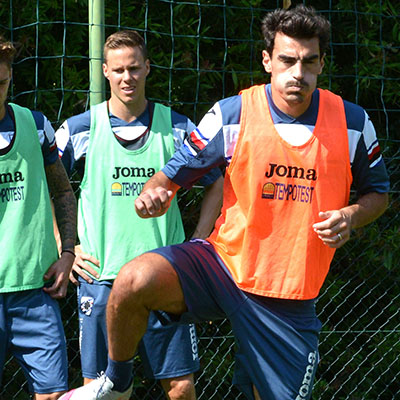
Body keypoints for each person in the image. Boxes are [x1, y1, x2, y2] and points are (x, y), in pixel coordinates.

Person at [60, 5, 390, 400]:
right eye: (287, 60)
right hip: (222, 267)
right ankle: (116, 381)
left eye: (308, 62)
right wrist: (157, 192)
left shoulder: (353, 122)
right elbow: (169, 177)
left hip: (288, 296)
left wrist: (351, 216)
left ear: (322, 63)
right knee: (133, 280)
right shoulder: (230, 115)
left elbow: (380, 194)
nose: (297, 73)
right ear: (267, 60)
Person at [56, 30, 223, 400]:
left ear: (148, 68)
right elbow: (47, 189)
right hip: (102, 279)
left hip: (165, 278)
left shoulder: (178, 128)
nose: (127, 77)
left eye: (134, 68)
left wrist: (198, 243)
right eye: (118, 70)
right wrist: (65, 248)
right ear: (105, 72)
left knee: (181, 389)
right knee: (101, 392)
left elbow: (217, 182)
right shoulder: (80, 129)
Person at [0, 36, 77, 399]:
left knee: (52, 395)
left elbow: (62, 191)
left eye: (0, 82)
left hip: (35, 291)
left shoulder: (36, 125)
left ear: (10, 78)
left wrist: (68, 254)